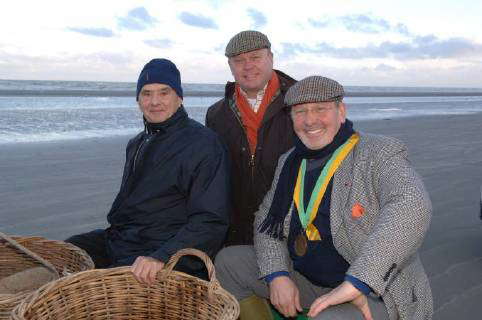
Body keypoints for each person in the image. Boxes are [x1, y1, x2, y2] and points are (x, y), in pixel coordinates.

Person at [215, 76, 433, 319]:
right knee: (229, 262)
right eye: (300, 111)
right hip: (309, 279)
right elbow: (267, 221)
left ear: (341, 111)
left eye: (321, 108)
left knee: (328, 318)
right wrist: (277, 275)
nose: (310, 120)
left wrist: (358, 282)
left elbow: (411, 203)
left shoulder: (377, 152)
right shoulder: (289, 161)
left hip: (373, 290)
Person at [67, 58, 230, 283]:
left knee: (94, 284)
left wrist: (161, 256)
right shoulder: (137, 143)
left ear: (179, 97)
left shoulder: (203, 144)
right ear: (138, 99)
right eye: (146, 93)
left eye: (164, 93)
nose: (154, 102)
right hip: (123, 239)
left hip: (166, 250)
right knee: (67, 251)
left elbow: (211, 220)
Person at [206, 30, 297, 246]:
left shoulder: (301, 105)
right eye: (239, 60)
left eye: (255, 57)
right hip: (237, 228)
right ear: (230, 66)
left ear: (271, 58)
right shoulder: (216, 114)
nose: (248, 66)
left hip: (291, 226)